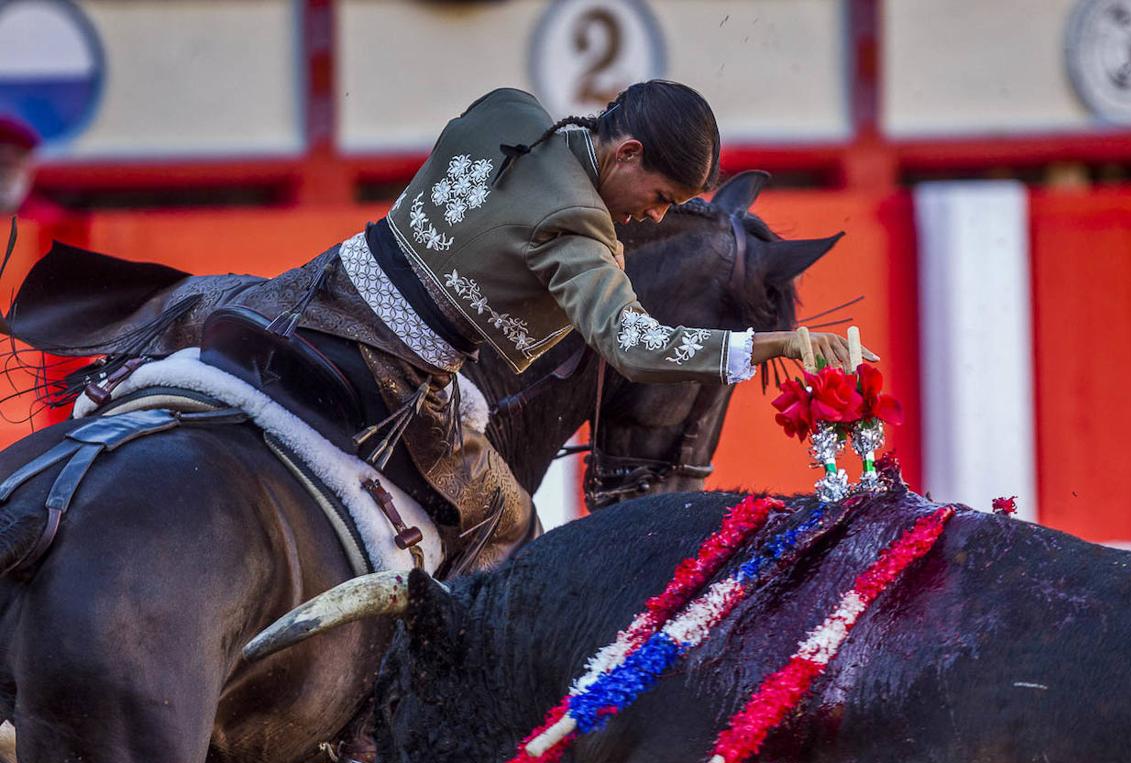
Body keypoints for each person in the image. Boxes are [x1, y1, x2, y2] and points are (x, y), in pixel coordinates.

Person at [5, 81, 870, 571]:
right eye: (660, 198)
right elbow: (631, 344)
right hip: (391, 381)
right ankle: (379, 742)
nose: (652, 219)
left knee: (161, 338)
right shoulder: (582, 232)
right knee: (510, 538)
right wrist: (768, 344)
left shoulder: (507, 113)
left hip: (293, 301)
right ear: (626, 154)